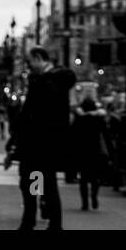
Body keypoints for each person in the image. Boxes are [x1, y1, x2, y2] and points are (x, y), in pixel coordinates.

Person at [7, 46, 75, 230]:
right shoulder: (46, 79)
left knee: (42, 184)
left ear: (39, 58)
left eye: (30, 62)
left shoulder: (50, 80)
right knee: (37, 182)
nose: (28, 67)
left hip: (42, 143)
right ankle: (40, 219)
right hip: (39, 144)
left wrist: (16, 141)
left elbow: (32, 112)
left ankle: (41, 221)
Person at [72, 97, 112, 211]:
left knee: (83, 179)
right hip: (96, 150)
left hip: (83, 151)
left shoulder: (79, 118)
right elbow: (105, 134)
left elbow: (72, 134)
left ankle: (85, 203)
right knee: (95, 177)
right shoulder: (98, 118)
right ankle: (94, 195)